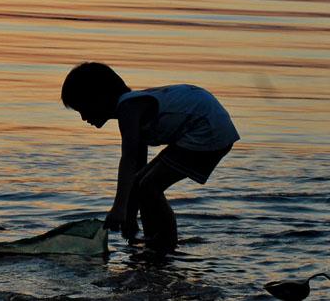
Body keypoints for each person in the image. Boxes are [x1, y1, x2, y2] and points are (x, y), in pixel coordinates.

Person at [61, 61, 239, 255]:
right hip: (203, 122)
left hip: (207, 129)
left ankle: (166, 245)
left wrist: (119, 209)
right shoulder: (134, 106)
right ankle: (151, 241)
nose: (84, 118)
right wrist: (130, 217)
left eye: (83, 108)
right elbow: (137, 171)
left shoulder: (129, 108)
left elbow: (128, 160)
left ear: (99, 97)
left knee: (150, 186)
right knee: (143, 183)